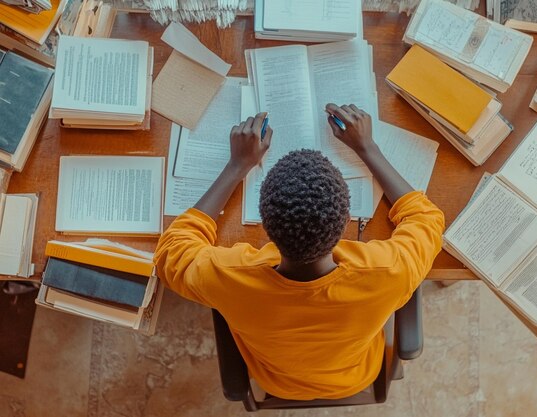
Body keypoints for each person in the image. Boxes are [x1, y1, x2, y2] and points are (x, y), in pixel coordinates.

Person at [154, 103, 445, 401]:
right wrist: (368, 148)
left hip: (274, 381)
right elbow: (426, 219)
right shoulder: (389, 271)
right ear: (345, 221)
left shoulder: (229, 277)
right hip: (356, 376)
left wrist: (236, 167)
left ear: (265, 227)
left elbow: (172, 252)